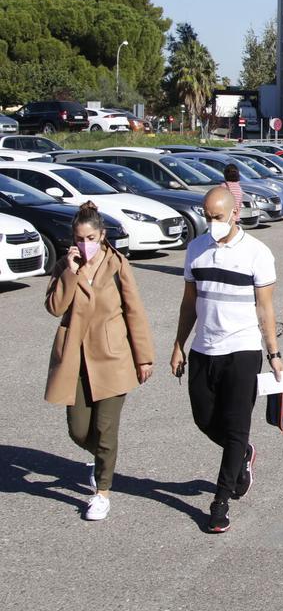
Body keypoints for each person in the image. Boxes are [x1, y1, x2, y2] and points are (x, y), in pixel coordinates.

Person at [171, 187, 283, 534]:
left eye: (217, 217)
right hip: (204, 349)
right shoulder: (196, 250)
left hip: (243, 351)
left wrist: (274, 354)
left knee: (235, 426)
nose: (211, 223)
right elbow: (189, 303)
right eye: (207, 217)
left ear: (235, 213)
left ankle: (220, 501)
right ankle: (243, 453)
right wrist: (179, 345)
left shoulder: (257, 254)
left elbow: (265, 309)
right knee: (204, 419)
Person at [44, 201, 154, 521]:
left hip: (112, 357)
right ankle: (102, 459)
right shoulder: (66, 266)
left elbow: (134, 311)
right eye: (79, 238)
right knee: (78, 430)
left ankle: (102, 492)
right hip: (74, 358)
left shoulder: (118, 265)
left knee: (106, 429)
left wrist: (143, 357)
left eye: (90, 238)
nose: (84, 244)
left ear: (102, 235)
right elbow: (54, 306)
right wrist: (71, 271)